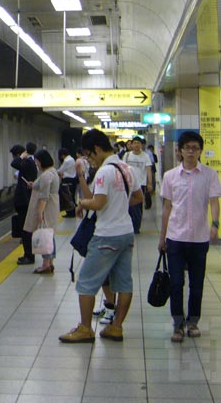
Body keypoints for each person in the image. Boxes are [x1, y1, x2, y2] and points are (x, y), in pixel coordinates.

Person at [60, 129, 142, 343]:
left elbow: (98, 203)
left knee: (86, 281)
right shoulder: (127, 168)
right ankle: (116, 327)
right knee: (124, 282)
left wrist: (82, 203)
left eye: (89, 155)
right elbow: (139, 197)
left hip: (106, 234)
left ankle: (85, 329)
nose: (89, 160)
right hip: (126, 233)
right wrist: (119, 205)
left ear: (96, 149)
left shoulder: (104, 172)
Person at [158, 131, 221, 342]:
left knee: (197, 284)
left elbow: (214, 201)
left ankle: (192, 322)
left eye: (195, 148)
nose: (191, 152)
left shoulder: (209, 175)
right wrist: (162, 237)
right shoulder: (170, 176)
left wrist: (214, 224)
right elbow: (167, 208)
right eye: (187, 148)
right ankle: (178, 324)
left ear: (200, 151)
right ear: (180, 151)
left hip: (199, 238)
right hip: (176, 237)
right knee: (176, 283)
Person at [23, 149, 60, 274]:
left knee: (45, 235)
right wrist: (34, 184)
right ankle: (50, 262)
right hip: (53, 205)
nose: (36, 164)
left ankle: (45, 264)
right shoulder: (52, 171)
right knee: (50, 234)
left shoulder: (46, 175)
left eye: (37, 161)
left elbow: (44, 196)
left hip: (47, 208)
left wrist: (40, 213)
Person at [10, 143, 38, 264]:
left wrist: (21, 156)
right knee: (26, 229)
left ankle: (29, 255)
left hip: (25, 201)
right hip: (26, 200)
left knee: (26, 229)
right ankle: (28, 254)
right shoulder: (29, 163)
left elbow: (14, 164)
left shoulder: (28, 162)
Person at [123, 136, 153, 233]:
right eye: (134, 143)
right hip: (128, 184)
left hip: (141, 184)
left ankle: (136, 227)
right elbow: (122, 169)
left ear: (141, 145)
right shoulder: (127, 155)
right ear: (131, 144)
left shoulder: (145, 156)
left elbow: (148, 170)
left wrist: (149, 183)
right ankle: (129, 225)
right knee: (128, 205)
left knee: (138, 206)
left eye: (138, 143)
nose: (136, 145)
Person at [56, 147, 78, 217]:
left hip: (67, 180)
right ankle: (72, 212)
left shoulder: (66, 161)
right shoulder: (72, 159)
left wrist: (54, 171)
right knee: (71, 196)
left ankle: (69, 212)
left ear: (62, 155)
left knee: (66, 197)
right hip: (73, 179)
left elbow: (60, 170)